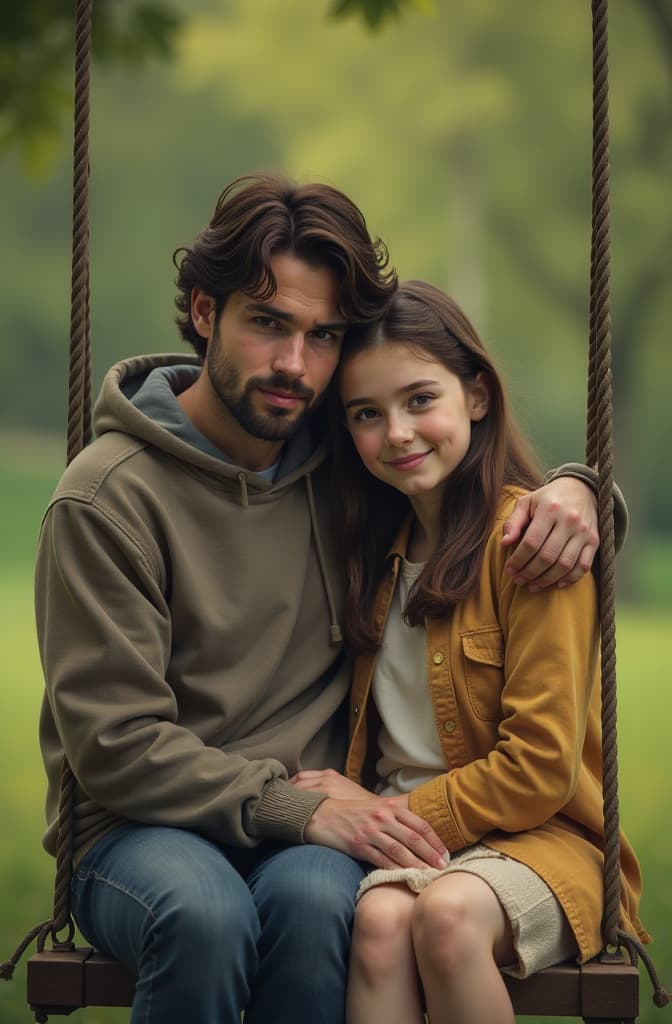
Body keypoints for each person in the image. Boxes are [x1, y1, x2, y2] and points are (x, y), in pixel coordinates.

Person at [35, 174, 622, 1024]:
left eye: (323, 337)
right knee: (205, 916)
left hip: (314, 831)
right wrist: (304, 809)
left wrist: (581, 493)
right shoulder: (105, 500)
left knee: (320, 908)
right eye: (268, 324)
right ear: (205, 313)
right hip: (144, 828)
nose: (294, 365)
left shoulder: (339, 453)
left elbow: (456, 471)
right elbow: (117, 745)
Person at [291, 280, 648, 1024]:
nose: (397, 432)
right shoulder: (368, 551)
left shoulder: (533, 546)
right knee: (382, 924)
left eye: (421, 399)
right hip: (414, 847)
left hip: (540, 843)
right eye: (367, 414)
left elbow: (540, 770)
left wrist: (383, 811)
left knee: (446, 917)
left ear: (476, 396)